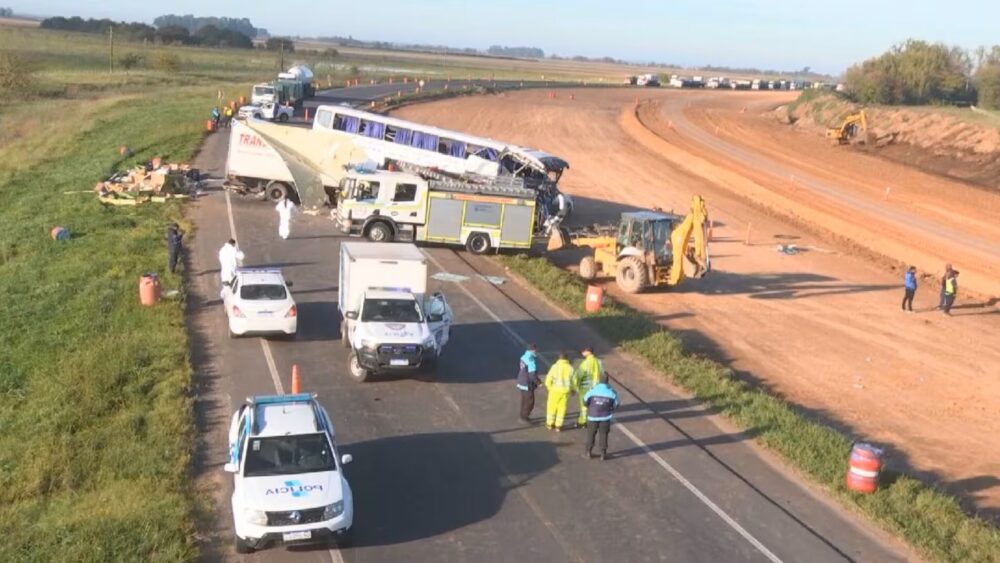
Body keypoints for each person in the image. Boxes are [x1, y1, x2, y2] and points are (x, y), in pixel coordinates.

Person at [583, 373, 620, 460]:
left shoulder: (592, 390)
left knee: (591, 434)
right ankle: (603, 454)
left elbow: (585, 401)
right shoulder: (612, 392)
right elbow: (617, 404)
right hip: (605, 417)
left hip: (592, 417)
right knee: (604, 435)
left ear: (599, 381)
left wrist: (590, 407)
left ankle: (589, 452)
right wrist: (610, 409)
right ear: (607, 381)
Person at [572, 346, 603, 427]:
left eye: (583, 351)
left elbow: (579, 375)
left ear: (588, 352)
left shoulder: (586, 363)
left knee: (584, 406)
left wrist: (574, 387)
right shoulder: (597, 361)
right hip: (595, 387)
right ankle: (593, 420)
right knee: (593, 405)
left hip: (585, 388)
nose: (582, 353)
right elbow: (602, 373)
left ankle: (582, 422)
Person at [544, 351, 574, 431]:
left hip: (554, 391)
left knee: (551, 408)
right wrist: (572, 390)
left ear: (559, 358)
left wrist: (549, 388)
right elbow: (573, 381)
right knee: (562, 409)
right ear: (567, 358)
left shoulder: (555, 367)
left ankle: (550, 424)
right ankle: (558, 426)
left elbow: (548, 378)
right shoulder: (570, 368)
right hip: (565, 392)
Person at [516, 345, 542, 422]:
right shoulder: (531, 360)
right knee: (530, 402)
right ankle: (524, 417)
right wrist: (538, 383)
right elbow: (532, 374)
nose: (536, 352)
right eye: (536, 351)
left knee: (524, 400)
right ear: (532, 350)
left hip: (521, 381)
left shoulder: (524, 356)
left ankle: (522, 415)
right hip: (527, 384)